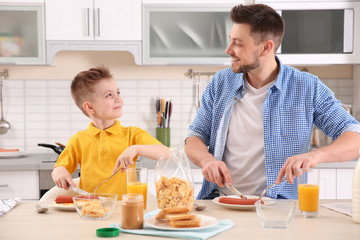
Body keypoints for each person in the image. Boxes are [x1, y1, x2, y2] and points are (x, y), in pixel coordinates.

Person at [185, 4, 360, 199]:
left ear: (266, 47)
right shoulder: (221, 83)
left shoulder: (307, 87)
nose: (228, 50)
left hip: (280, 208)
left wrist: (315, 156)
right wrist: (206, 160)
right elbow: (194, 137)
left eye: (238, 43)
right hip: (223, 202)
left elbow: (354, 136)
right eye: (230, 41)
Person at [52, 66, 169, 198]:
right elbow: (59, 168)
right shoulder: (78, 139)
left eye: (118, 93)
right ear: (89, 107)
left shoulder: (132, 134)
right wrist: (60, 173)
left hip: (125, 210)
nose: (118, 99)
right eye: (109, 95)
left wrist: (136, 149)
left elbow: (166, 152)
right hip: (92, 211)